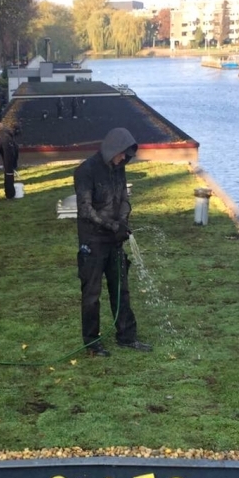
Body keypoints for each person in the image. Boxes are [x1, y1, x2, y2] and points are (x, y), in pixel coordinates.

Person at [74, 127, 152, 357]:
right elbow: (85, 209)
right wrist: (111, 225)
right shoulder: (86, 171)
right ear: (111, 150)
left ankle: (127, 336)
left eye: (126, 156)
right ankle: (91, 342)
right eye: (121, 154)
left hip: (114, 239)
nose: (122, 159)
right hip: (93, 240)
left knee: (121, 289)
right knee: (92, 294)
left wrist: (123, 221)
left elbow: (124, 199)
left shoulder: (119, 168)